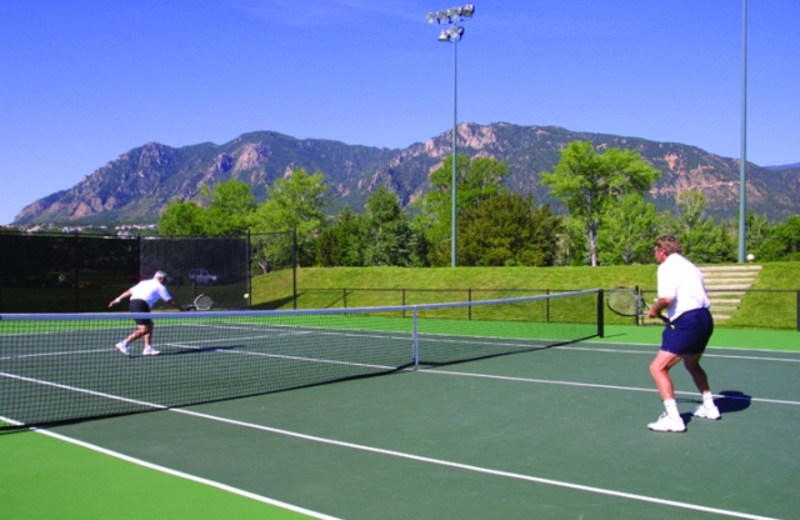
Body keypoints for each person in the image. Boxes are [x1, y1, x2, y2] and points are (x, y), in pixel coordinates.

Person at [646, 235, 720, 433]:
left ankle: (673, 419)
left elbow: (668, 298)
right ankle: (709, 406)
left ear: (662, 251)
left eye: (655, 251)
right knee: (692, 363)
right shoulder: (691, 267)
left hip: (689, 322)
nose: (655, 255)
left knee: (657, 368)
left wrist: (656, 309)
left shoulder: (666, 267)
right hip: (705, 318)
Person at [108, 271, 182, 356]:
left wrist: (117, 300)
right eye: (165, 279)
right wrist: (182, 309)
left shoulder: (143, 283)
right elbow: (171, 301)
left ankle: (147, 348)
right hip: (140, 305)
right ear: (161, 278)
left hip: (134, 304)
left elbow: (129, 292)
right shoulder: (160, 287)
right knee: (144, 329)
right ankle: (124, 343)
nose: (165, 281)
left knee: (149, 325)